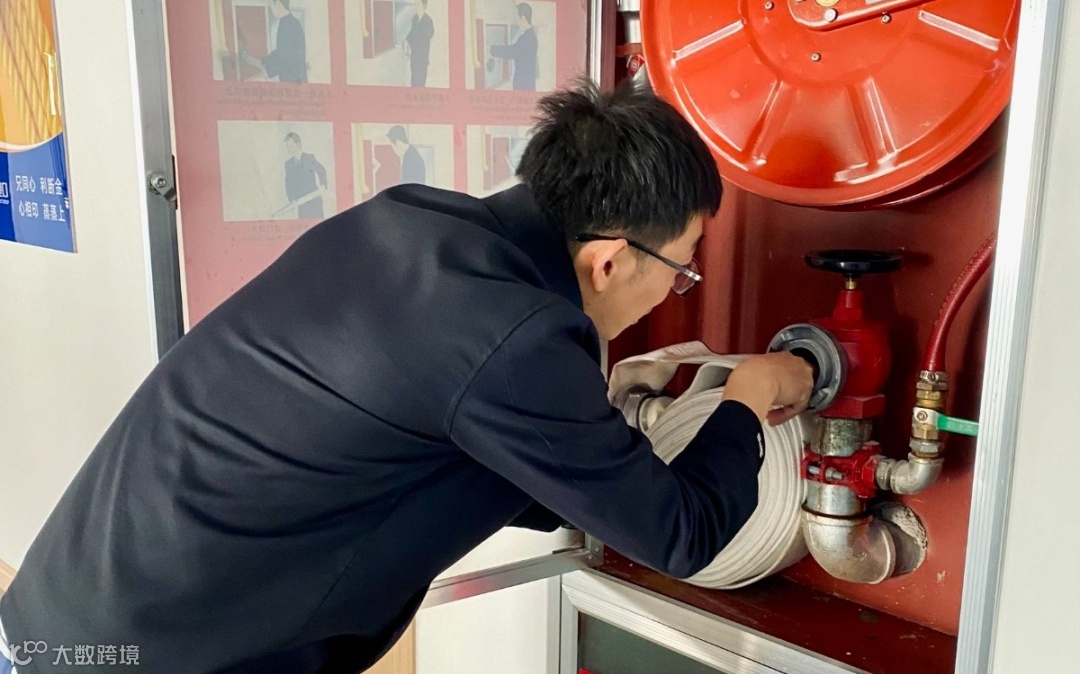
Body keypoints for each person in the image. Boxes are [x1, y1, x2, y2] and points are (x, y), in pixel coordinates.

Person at [0, 78, 812, 673]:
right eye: (682, 270)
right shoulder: (511, 339)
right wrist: (749, 396)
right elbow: (682, 534)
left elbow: (445, 444)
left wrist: (602, 437)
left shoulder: (414, 224)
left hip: (62, 615)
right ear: (608, 261)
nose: (676, 290)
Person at [489, 2, 537, 91]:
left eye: (517, 19)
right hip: (526, 84)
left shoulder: (527, 38)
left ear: (523, 18)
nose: (517, 23)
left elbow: (512, 52)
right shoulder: (530, 36)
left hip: (524, 85)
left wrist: (492, 49)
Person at [283, 132, 328, 219]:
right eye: (288, 147)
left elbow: (322, 170)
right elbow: (288, 184)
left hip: (314, 202)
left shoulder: (309, 158)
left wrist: (323, 185)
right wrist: (292, 199)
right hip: (302, 205)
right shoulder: (288, 164)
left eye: (291, 146)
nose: (289, 149)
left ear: (298, 144)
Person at [262, 0, 307, 83]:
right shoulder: (289, 22)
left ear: (278, 4)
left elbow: (286, 55)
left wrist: (269, 72)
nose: (271, 9)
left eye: (271, 6)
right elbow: (282, 50)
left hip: (293, 78)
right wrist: (265, 61)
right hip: (295, 77)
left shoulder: (288, 24)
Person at [403, 0, 434, 87]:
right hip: (414, 56)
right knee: (414, 80)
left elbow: (428, 35)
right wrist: (405, 40)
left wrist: (414, 39)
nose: (417, 7)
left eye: (419, 5)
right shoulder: (415, 18)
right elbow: (410, 35)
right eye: (416, 5)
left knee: (421, 81)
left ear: (424, 6)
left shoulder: (428, 20)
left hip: (422, 57)